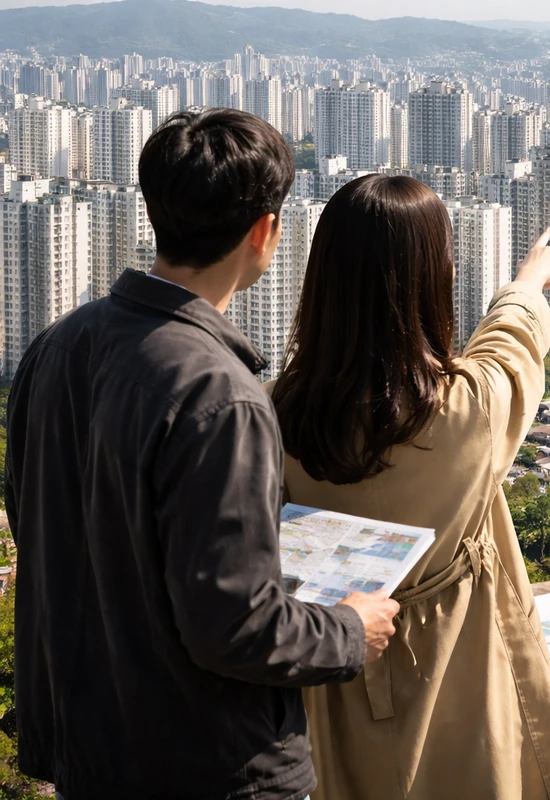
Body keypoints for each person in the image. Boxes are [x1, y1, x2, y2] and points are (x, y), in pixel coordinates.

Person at [4, 108, 401, 800]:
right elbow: (236, 625)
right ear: (264, 232)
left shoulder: (56, 347)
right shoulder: (223, 397)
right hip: (205, 767)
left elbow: (36, 522)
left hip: (90, 752)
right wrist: (349, 631)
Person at [269, 174, 550, 800]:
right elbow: (510, 343)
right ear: (431, 278)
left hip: (335, 670)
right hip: (460, 671)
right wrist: (527, 280)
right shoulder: (469, 408)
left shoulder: (270, 414)